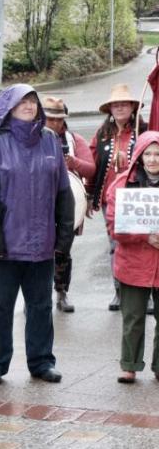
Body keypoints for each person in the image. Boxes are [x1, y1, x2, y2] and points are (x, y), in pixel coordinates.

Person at [0, 84, 74, 386]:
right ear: (8, 107)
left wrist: (63, 239)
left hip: (41, 246)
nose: (29, 106)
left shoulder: (50, 140)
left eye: (33, 101)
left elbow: (63, 193)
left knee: (41, 307)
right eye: (22, 101)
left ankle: (42, 362)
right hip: (2, 247)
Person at [90, 83, 148, 311]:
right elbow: (93, 165)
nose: (120, 107)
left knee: (144, 244)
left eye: (124, 104)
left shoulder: (143, 131)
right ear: (110, 109)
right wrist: (88, 195)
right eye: (116, 104)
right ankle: (119, 291)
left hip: (139, 197)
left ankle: (146, 291)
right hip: (111, 200)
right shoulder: (103, 135)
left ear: (133, 107)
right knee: (116, 246)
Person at [106, 132, 159, 383]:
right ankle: (129, 364)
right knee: (133, 317)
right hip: (133, 264)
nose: (152, 159)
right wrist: (145, 237)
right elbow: (114, 226)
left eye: (158, 154)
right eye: (148, 153)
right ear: (139, 155)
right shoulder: (121, 184)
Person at [43, 96, 95, 313]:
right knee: (38, 252)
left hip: (68, 204)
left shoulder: (74, 140)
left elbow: (91, 169)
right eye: (50, 119)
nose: (55, 123)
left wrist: (74, 163)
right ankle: (37, 295)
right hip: (40, 204)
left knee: (63, 250)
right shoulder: (33, 139)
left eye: (58, 119)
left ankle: (61, 292)